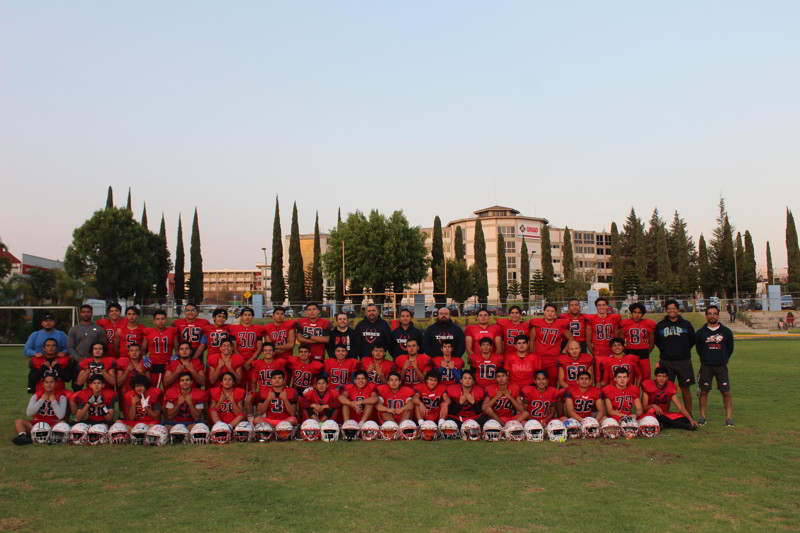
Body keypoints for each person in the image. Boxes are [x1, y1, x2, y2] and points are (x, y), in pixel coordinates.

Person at [654, 299, 696, 415]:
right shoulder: (660, 325)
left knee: (685, 389)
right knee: (666, 390)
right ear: (666, 310)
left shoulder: (686, 324)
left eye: (673, 308)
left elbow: (692, 340)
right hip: (666, 362)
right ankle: (665, 415)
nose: (671, 311)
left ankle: (689, 414)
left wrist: (682, 350)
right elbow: (658, 341)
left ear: (677, 310)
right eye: (669, 309)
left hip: (683, 362)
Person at [695, 305, 735, 427]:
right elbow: (699, 349)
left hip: (721, 366)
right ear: (706, 315)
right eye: (710, 313)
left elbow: (730, 349)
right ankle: (703, 417)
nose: (712, 316)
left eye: (714, 313)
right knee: (704, 391)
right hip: (706, 366)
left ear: (718, 315)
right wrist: (707, 359)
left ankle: (728, 418)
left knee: (726, 392)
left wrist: (722, 359)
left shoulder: (726, 332)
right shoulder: (701, 332)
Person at [13, 375, 69, 445]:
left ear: (56, 383)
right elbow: (29, 413)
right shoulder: (36, 395)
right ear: (43, 384)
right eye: (46, 382)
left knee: (63, 423)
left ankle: (51, 437)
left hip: (53, 423)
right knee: (19, 422)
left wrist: (54, 401)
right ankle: (23, 437)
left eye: (51, 382)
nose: (49, 384)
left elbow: (61, 416)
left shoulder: (61, 396)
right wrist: (41, 400)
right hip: (38, 423)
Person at [641, 366, 698, 430]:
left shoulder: (670, 387)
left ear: (667, 378)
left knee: (684, 418)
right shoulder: (648, 385)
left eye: (663, 376)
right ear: (655, 377)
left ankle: (662, 425)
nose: (661, 379)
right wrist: (653, 405)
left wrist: (691, 420)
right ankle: (685, 426)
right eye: (659, 376)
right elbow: (644, 408)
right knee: (653, 410)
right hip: (650, 415)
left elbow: (680, 407)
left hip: (664, 415)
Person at [529, 304, 573, 384]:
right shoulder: (537, 323)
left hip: (554, 359)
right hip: (539, 358)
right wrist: (532, 355)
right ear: (544, 312)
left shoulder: (560, 325)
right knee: (538, 382)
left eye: (552, 311)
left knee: (552, 382)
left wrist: (564, 351)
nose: (550, 313)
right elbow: (532, 341)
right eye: (548, 311)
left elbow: (571, 338)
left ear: (555, 313)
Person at [619, 303, 656, 380]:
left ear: (642, 314)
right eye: (635, 312)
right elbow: (621, 341)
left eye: (639, 313)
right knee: (630, 377)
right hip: (630, 352)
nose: (637, 315)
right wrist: (625, 351)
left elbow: (652, 342)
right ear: (631, 313)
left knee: (646, 377)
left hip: (644, 353)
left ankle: (644, 392)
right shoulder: (625, 323)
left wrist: (646, 352)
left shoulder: (649, 323)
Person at [143, 309, 178, 388]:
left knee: (168, 388)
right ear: (154, 321)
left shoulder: (172, 331)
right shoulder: (148, 331)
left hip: (167, 364)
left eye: (162, 319)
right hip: (153, 363)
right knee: (154, 388)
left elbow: (177, 349)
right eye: (158, 319)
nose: (160, 321)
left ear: (166, 320)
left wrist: (177, 355)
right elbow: (143, 348)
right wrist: (144, 357)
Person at [230, 307, 263, 386]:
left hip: (252, 361)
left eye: (249, 315)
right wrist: (242, 361)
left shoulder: (257, 329)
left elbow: (259, 348)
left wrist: (250, 361)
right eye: (245, 315)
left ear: (252, 316)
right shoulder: (235, 328)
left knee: (252, 384)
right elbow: (234, 348)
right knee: (239, 384)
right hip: (239, 361)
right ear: (241, 316)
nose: (247, 317)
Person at [586, 297, 621, 369]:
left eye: (603, 305)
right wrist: (593, 353)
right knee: (598, 376)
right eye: (599, 305)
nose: (601, 307)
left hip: (611, 351)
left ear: (607, 306)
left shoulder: (614, 318)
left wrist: (616, 352)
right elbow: (588, 341)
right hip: (598, 352)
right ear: (596, 307)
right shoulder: (591, 319)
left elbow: (616, 337)